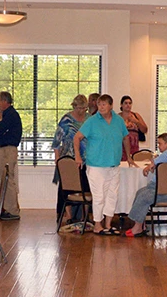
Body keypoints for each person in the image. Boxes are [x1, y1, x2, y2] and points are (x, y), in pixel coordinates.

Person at [74, 94, 133, 235]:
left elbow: (125, 138)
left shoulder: (118, 121)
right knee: (99, 196)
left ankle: (108, 224)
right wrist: (77, 156)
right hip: (96, 165)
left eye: (104, 104)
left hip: (113, 165)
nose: (100, 107)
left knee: (112, 195)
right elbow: (77, 137)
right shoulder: (92, 121)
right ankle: (97, 225)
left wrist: (129, 157)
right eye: (99, 104)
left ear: (111, 106)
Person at [125, 133, 167, 237]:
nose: (158, 146)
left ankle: (137, 227)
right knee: (140, 192)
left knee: (144, 196)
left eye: (160, 143)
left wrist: (152, 164)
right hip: (165, 190)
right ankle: (140, 224)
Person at [52, 94, 90, 225]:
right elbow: (57, 141)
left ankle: (85, 216)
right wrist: (57, 159)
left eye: (84, 108)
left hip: (87, 159)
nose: (81, 111)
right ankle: (68, 215)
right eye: (78, 108)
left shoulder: (89, 119)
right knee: (67, 187)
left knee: (86, 186)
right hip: (68, 159)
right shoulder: (66, 120)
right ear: (74, 106)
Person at [0, 90, 22, 220]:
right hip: (4, 149)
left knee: (8, 179)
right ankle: (6, 207)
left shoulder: (11, 115)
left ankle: (12, 210)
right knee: (5, 179)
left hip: (8, 149)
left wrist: (0, 128)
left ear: (5, 101)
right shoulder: (6, 114)